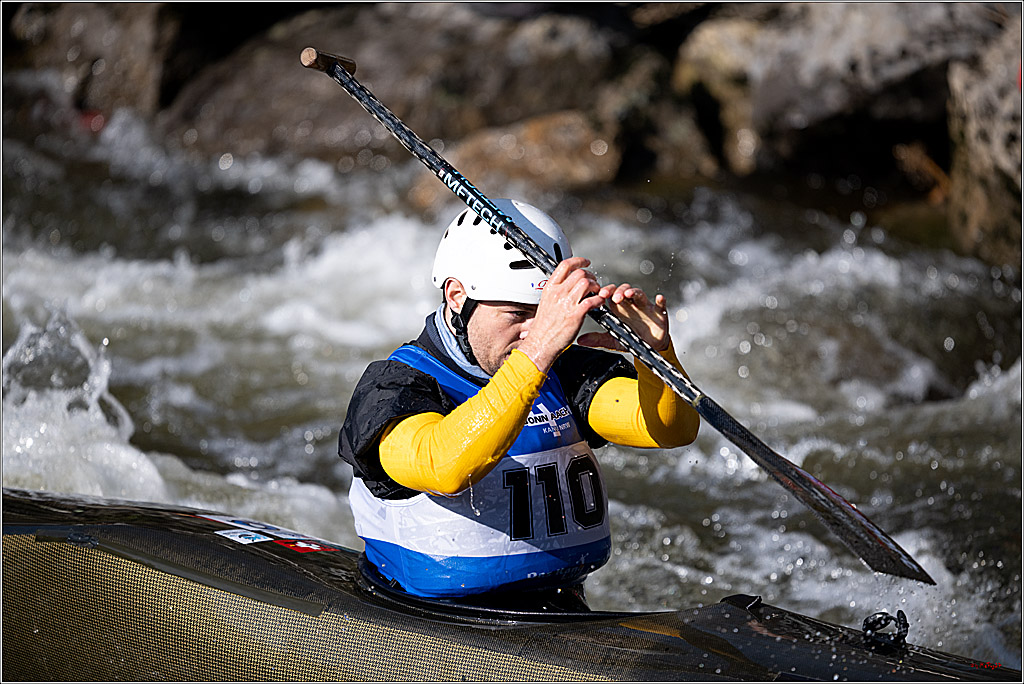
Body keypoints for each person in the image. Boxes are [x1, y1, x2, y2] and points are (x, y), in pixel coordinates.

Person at [339, 199, 700, 611]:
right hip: (420, 620)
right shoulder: (395, 386)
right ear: (458, 296)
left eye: (544, 314)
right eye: (517, 313)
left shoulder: (564, 368)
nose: (536, 330)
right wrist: (540, 350)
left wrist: (656, 357)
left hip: (555, 612)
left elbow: (670, 429)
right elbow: (444, 465)